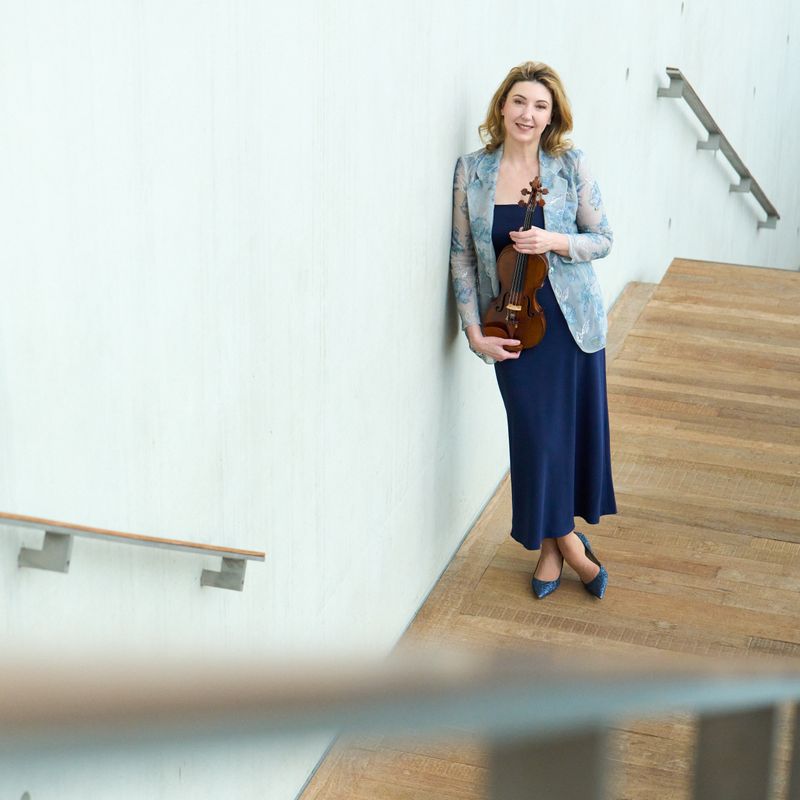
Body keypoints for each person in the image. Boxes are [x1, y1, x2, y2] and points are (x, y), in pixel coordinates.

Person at [449, 61, 617, 600]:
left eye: (540, 106)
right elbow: (461, 257)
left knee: (562, 440)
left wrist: (554, 242)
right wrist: (473, 332)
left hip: (570, 323)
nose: (528, 113)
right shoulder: (472, 171)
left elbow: (603, 238)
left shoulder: (569, 165)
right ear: (502, 106)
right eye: (519, 101)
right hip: (511, 324)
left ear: (551, 116)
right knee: (535, 438)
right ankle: (571, 545)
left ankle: (552, 550)